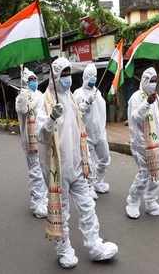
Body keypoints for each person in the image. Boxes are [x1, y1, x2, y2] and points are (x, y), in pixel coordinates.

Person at [36, 57, 118, 269]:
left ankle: (94, 245)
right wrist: (51, 119)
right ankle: (64, 250)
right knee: (62, 211)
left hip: (77, 164)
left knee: (88, 206)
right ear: (54, 76)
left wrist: (85, 161)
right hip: (58, 168)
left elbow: (77, 126)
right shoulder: (45, 102)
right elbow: (41, 135)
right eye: (62, 74)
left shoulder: (71, 98)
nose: (66, 78)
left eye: (68, 73)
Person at [125, 67, 159, 219]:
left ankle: (151, 202)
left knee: (155, 174)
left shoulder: (156, 97)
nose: (153, 84)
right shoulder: (136, 97)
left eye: (155, 81)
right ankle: (132, 201)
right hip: (141, 144)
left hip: (155, 143)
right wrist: (146, 103)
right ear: (144, 81)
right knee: (144, 174)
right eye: (151, 81)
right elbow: (135, 118)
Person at [73, 63, 111, 199]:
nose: (93, 78)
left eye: (95, 76)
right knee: (89, 163)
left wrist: (103, 130)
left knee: (105, 159)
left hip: (100, 133)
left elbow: (101, 113)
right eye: (90, 76)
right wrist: (86, 103)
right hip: (86, 135)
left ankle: (98, 182)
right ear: (84, 77)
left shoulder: (98, 93)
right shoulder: (78, 93)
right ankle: (88, 186)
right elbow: (76, 113)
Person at [15, 68, 48, 219]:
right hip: (31, 142)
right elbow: (23, 109)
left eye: (35, 79)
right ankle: (37, 204)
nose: (34, 82)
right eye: (30, 80)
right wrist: (26, 95)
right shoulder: (21, 97)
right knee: (36, 173)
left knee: (44, 170)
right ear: (25, 82)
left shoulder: (41, 95)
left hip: (43, 138)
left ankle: (44, 199)